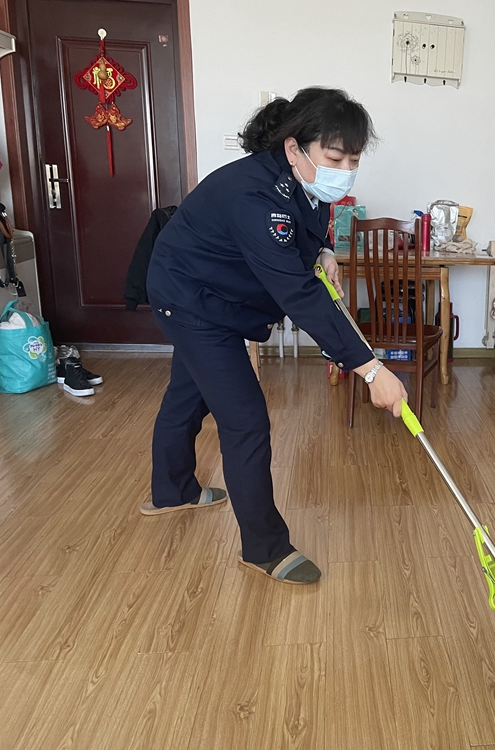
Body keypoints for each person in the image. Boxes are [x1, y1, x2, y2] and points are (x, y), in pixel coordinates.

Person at [142, 87, 408, 584]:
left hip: (215, 293)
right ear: (293, 148)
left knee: (188, 393)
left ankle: (172, 491)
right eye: (335, 158)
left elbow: (309, 225)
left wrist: (324, 250)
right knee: (245, 421)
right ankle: (264, 548)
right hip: (191, 299)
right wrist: (371, 370)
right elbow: (299, 295)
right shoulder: (255, 196)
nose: (345, 170)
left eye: (353, 160)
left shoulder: (301, 180)